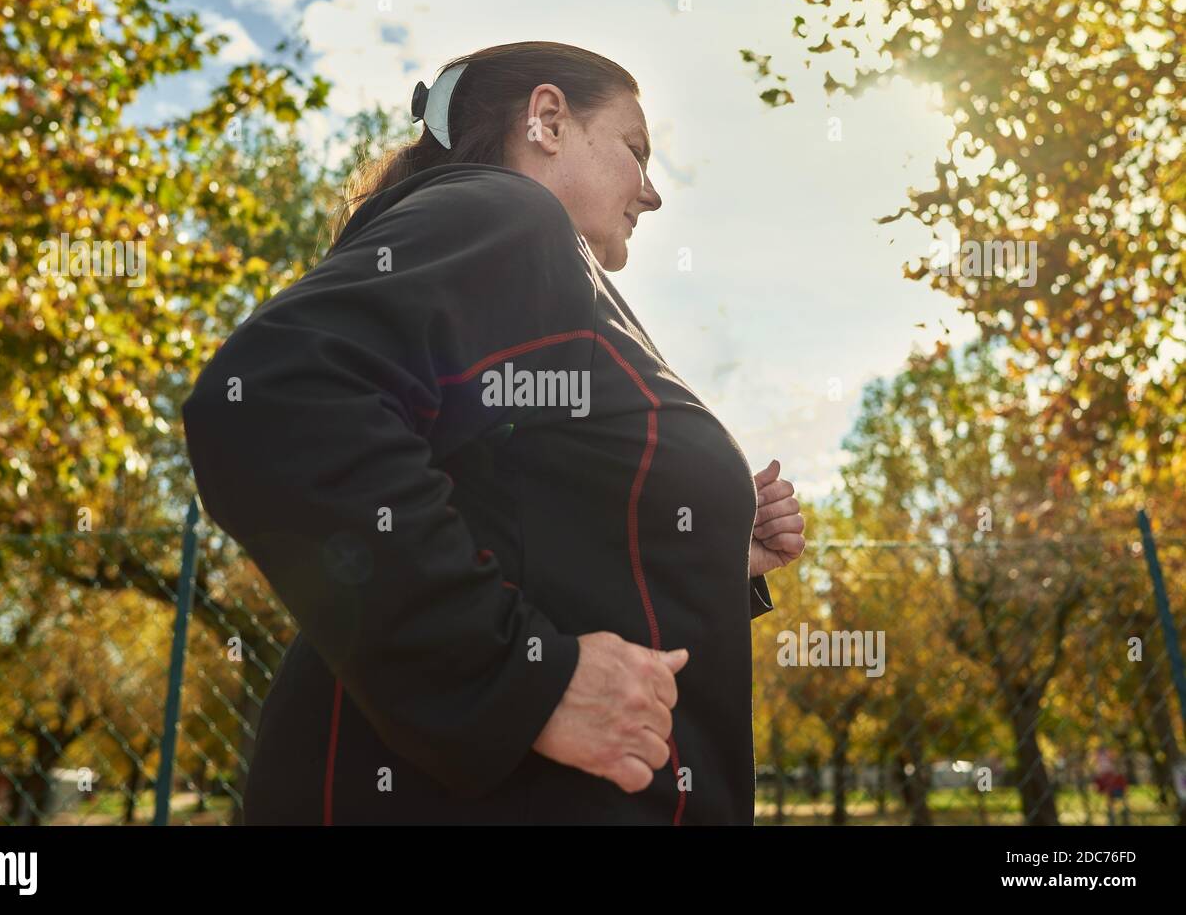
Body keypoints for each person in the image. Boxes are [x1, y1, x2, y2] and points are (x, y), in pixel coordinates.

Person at [182, 41, 805, 825]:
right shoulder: (509, 215)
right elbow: (272, 401)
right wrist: (515, 681)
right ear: (547, 119)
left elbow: (516, 519)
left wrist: (695, 543)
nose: (650, 194)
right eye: (635, 151)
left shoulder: (535, 262)